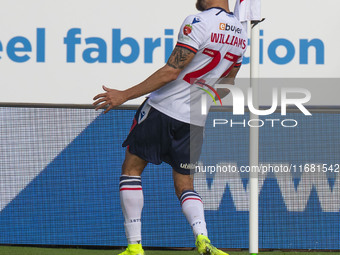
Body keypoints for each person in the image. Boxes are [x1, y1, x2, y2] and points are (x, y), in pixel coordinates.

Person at [93, 0, 247, 254]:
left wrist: (124, 95)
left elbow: (170, 72)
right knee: (185, 184)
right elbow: (227, 86)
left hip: (162, 109)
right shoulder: (241, 35)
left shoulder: (198, 22)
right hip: (195, 120)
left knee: (131, 170)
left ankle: (134, 246)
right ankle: (203, 239)